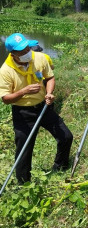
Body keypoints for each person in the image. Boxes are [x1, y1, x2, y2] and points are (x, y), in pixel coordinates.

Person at [0, 33, 73, 184]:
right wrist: (23, 91)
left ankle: (60, 167)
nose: (27, 52)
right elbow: (6, 99)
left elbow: (49, 77)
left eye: (27, 48)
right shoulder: (6, 71)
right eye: (22, 51)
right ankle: (23, 184)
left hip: (43, 107)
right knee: (24, 150)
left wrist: (49, 93)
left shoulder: (39, 58)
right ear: (13, 54)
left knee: (66, 136)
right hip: (23, 112)